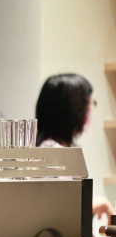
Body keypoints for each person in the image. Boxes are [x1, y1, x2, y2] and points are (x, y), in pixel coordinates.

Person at [35, 73, 114, 220]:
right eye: (89, 104)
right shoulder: (55, 155)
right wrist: (98, 203)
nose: (90, 111)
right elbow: (61, 212)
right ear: (74, 110)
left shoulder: (46, 150)